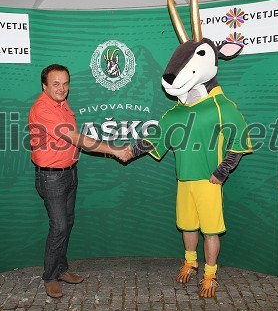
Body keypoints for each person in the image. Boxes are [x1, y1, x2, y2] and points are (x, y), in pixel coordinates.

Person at [126, 84, 252, 298]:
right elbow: (154, 140)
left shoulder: (220, 106)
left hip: (208, 183)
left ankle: (210, 274)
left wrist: (223, 170)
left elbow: (239, 139)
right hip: (184, 181)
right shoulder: (173, 114)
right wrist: (128, 152)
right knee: (188, 226)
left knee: (210, 231)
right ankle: (190, 262)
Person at [28, 64, 131, 298]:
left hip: (68, 172)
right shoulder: (44, 109)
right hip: (51, 176)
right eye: (55, 84)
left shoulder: (62, 105)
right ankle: (50, 276)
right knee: (59, 227)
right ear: (44, 86)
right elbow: (76, 138)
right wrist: (114, 150)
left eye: (65, 83)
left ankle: (61, 269)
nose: (61, 88)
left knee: (67, 224)